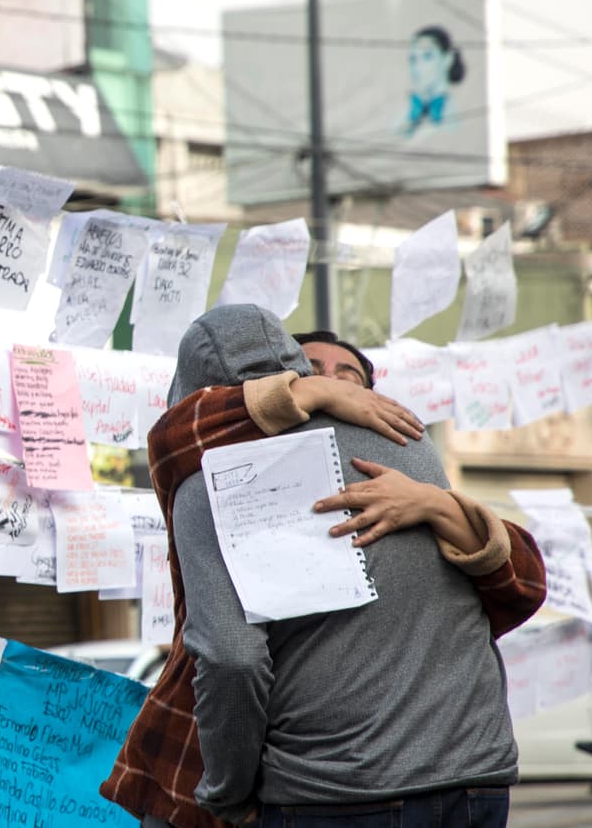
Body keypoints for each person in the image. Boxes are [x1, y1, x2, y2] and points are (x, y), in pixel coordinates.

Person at [101, 307, 545, 828]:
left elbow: (232, 658)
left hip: (336, 791)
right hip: (478, 772)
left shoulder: (208, 481)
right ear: (294, 374)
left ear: (194, 393)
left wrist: (227, 793)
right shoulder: (409, 442)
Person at [404, 25, 465, 136]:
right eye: (413, 59)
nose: (418, 67)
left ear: (447, 58)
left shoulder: (454, 115)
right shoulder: (406, 113)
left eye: (427, 56)